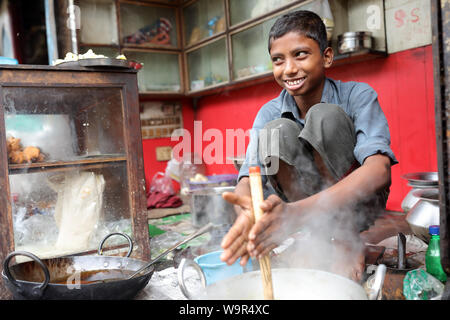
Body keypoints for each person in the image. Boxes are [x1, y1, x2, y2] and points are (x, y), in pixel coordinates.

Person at [220, 10, 398, 281]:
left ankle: (345, 238)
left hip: (360, 209)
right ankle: (316, 237)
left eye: (300, 54)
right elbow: (248, 178)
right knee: (276, 130)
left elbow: (379, 170)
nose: (289, 69)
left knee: (324, 116)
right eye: (278, 60)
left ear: (327, 56)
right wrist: (248, 212)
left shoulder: (358, 95)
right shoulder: (269, 112)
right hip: (303, 217)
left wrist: (295, 214)